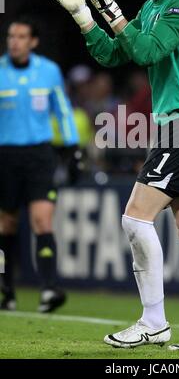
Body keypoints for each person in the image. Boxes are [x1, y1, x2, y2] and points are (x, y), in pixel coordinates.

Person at [46, 0, 179, 352]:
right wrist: (83, 15)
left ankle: (153, 322)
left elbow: (147, 52)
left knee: (135, 218)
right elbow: (115, 55)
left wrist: (111, 10)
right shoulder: (150, 8)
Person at [0, 18, 79, 312]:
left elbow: (63, 110)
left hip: (39, 155)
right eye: (11, 36)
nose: (14, 42)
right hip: (5, 155)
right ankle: (6, 289)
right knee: (6, 224)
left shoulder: (48, 72)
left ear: (33, 41)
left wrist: (72, 148)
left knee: (42, 220)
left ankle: (49, 288)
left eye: (21, 36)